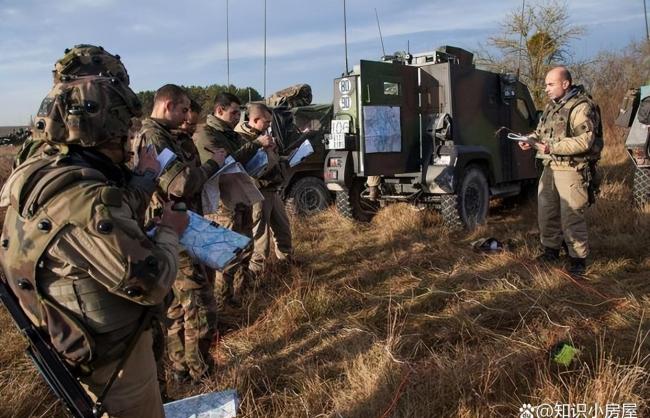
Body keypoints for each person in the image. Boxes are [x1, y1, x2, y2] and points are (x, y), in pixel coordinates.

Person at [0, 75, 187, 418]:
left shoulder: (41, 172)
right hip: (114, 362)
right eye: (123, 133)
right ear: (105, 130)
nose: (128, 141)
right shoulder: (85, 200)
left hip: (78, 343)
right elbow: (153, 282)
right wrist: (170, 231)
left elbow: (112, 209)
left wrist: (141, 182)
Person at [135, 84, 226, 383]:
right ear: (168, 105)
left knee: (176, 306)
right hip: (173, 229)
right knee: (200, 304)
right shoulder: (154, 137)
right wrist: (214, 164)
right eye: (184, 109)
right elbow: (180, 184)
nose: (189, 116)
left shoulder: (162, 135)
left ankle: (181, 369)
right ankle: (200, 372)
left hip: (171, 228)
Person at [194, 92, 274, 310]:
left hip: (240, 198)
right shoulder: (207, 134)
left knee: (245, 249)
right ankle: (222, 304)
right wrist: (256, 144)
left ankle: (239, 296)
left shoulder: (231, 134)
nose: (238, 117)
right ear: (219, 110)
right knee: (227, 256)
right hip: (223, 204)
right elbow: (227, 160)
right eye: (234, 112)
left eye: (239, 113)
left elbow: (242, 158)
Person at [519, 66, 602, 276]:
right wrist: (531, 140)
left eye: (550, 84)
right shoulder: (551, 107)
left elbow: (585, 141)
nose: (546, 88)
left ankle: (578, 260)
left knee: (571, 215)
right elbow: (541, 132)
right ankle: (551, 251)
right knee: (546, 213)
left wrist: (551, 147)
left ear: (565, 84)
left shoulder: (582, 106)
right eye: (546, 84)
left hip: (572, 169)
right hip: (550, 167)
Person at [235, 103, 293, 276]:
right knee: (260, 237)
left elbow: (271, 159)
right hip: (257, 192)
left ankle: (286, 262)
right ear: (254, 119)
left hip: (272, 190)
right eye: (266, 122)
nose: (269, 125)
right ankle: (256, 274)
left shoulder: (263, 135)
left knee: (283, 229)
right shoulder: (242, 139)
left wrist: (283, 157)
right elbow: (246, 166)